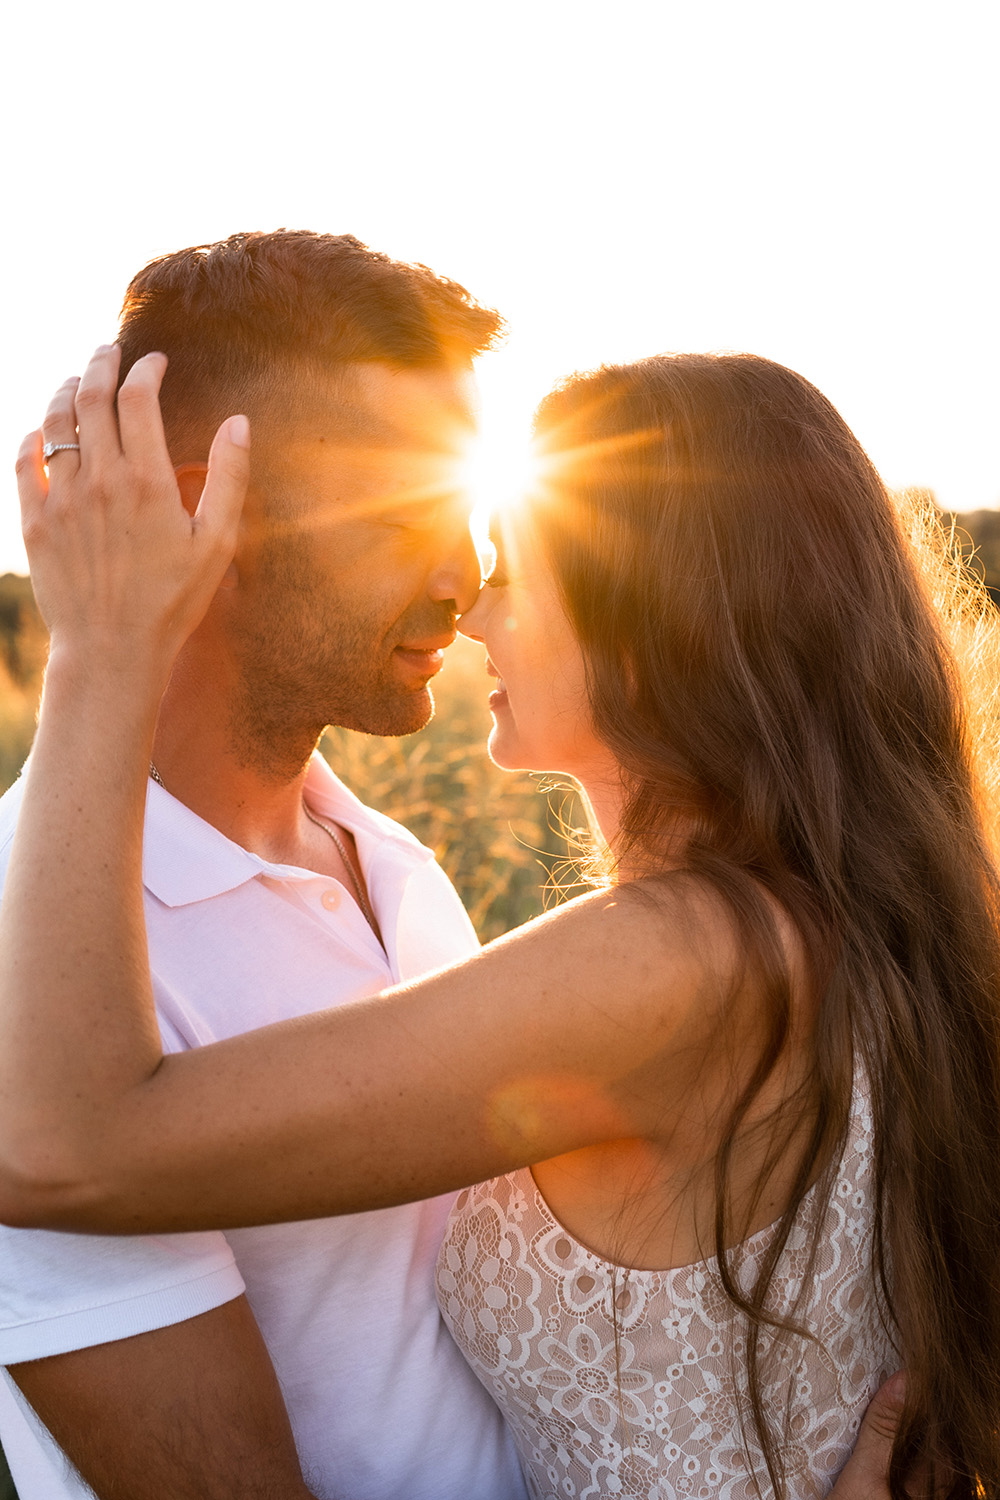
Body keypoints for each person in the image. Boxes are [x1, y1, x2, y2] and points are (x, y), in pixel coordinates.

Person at [4, 342, 996, 1496]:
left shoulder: (680, 961)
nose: (474, 610)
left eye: (519, 569)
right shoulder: (823, 919)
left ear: (655, 616)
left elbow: (61, 1147)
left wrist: (97, 646)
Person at [0, 232, 529, 1500]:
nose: (467, 576)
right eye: (404, 515)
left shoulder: (390, 861)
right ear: (198, 511)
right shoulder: (37, 968)